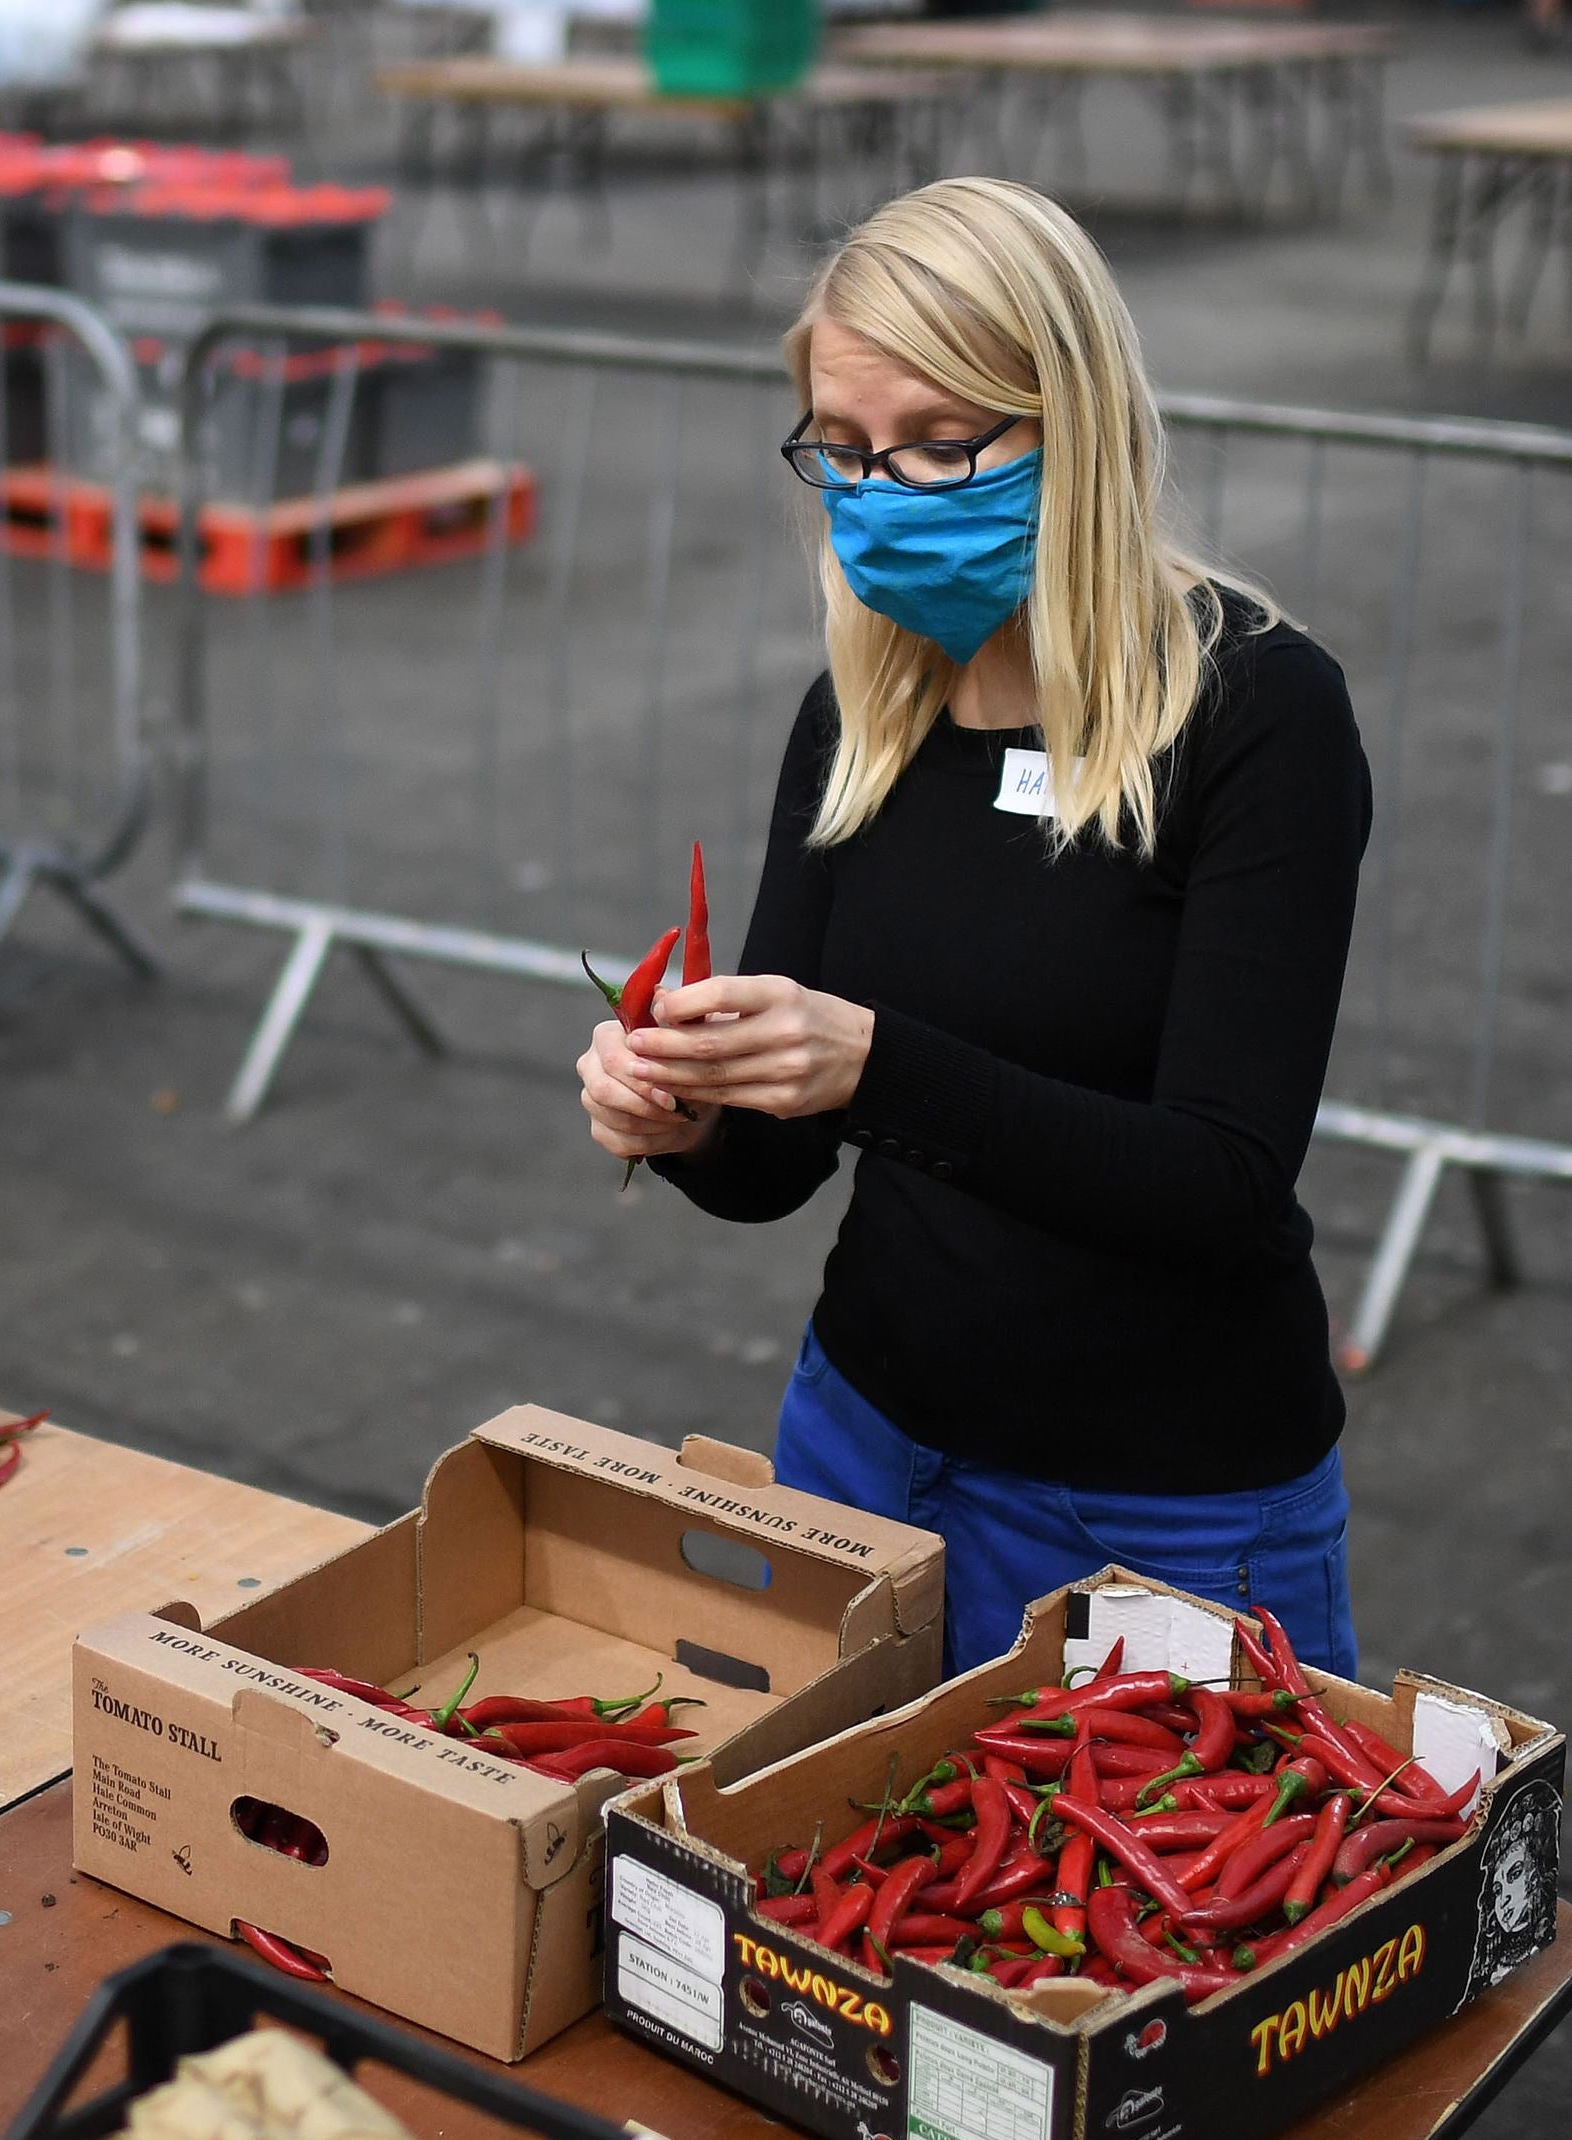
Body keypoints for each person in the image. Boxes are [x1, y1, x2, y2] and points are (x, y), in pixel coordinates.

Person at [575, 179, 1374, 1678]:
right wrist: (685, 1118)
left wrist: (875, 1064)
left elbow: (1221, 1176)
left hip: (1160, 1502)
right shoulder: (863, 713)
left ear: (1075, 422)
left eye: (945, 447)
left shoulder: (1258, 714)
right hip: (865, 1440)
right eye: (847, 453)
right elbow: (782, 1164)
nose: (886, 494)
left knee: (1167, 1902)